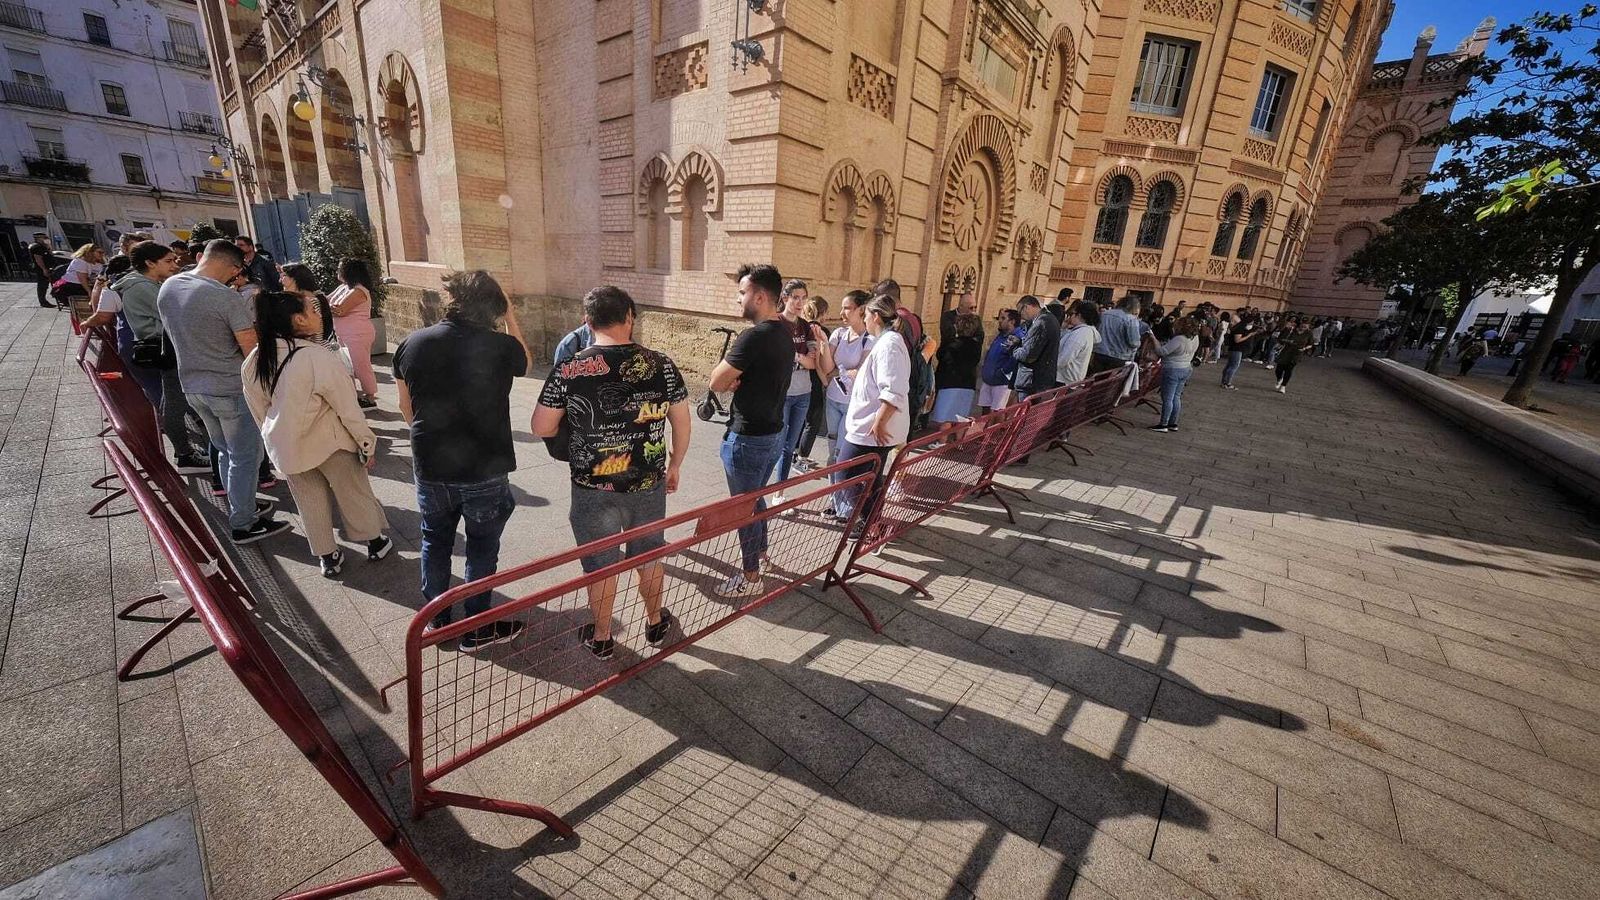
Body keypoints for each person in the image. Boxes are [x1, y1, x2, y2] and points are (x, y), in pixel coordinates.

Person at [533, 286, 691, 660]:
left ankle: (602, 636)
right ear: (629, 317)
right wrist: (675, 465)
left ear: (588, 322)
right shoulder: (661, 364)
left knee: (600, 564)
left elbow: (541, 426)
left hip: (591, 488)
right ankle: (655, 621)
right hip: (647, 484)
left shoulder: (569, 368)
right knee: (649, 554)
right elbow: (682, 425)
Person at [394, 270, 528, 647]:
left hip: (431, 464)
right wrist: (511, 316)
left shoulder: (412, 343)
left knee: (434, 540)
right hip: (484, 466)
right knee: (482, 547)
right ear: (494, 307)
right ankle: (476, 629)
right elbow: (525, 362)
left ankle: (438, 622)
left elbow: (407, 408)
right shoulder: (500, 346)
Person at [243, 291, 394, 577]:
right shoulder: (316, 356)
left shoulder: (253, 361)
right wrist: (366, 442)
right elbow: (347, 407)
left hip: (288, 448)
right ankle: (374, 541)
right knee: (354, 492)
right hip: (331, 443)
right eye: (312, 311)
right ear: (298, 320)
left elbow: (259, 412)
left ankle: (327, 556)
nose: (318, 315)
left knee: (309, 502)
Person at [158, 239, 290, 544]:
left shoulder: (170, 286)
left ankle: (241, 503)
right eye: (236, 271)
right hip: (230, 388)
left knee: (224, 450)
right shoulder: (224, 297)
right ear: (232, 266)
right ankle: (244, 523)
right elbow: (251, 351)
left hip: (193, 386)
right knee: (246, 455)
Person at [708, 263, 793, 598]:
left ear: (759, 296)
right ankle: (761, 556)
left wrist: (730, 380)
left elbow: (715, 381)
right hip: (772, 434)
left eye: (742, 293)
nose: (738, 299)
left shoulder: (754, 336)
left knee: (743, 509)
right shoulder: (784, 332)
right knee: (756, 502)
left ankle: (751, 576)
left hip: (748, 439)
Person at [104, 241, 209, 472]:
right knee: (175, 403)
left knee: (171, 401)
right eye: (168, 261)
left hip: (165, 346)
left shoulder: (145, 283)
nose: (175, 265)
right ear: (150, 263)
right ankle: (185, 455)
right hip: (166, 347)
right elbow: (179, 313)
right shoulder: (142, 287)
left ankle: (186, 452)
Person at [834, 295, 911, 530]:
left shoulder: (889, 345)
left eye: (866, 315)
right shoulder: (887, 342)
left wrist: (878, 423)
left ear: (875, 316)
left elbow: (893, 389)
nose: (865, 320)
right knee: (871, 477)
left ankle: (869, 522)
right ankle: (873, 524)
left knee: (845, 473)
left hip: (872, 429)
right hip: (871, 427)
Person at [773, 279, 829, 488]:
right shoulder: (776, 324)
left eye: (803, 298)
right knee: (776, 444)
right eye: (795, 297)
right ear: (785, 298)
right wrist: (800, 357)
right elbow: (775, 358)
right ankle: (761, 490)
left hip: (803, 393)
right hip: (782, 393)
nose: (800, 302)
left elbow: (813, 363)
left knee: (789, 447)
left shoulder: (805, 327)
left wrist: (793, 355)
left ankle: (779, 492)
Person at [819, 291, 873, 465]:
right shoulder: (839, 334)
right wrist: (825, 345)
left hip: (852, 402)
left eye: (847, 308)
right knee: (832, 440)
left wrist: (838, 370)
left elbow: (859, 372)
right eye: (842, 308)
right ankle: (834, 483)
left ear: (861, 310)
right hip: (832, 398)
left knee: (841, 449)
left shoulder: (869, 340)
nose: (841, 313)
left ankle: (838, 486)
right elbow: (827, 368)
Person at [328, 259, 380, 407]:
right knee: (346, 365)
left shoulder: (359, 291)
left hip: (358, 334)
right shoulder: (344, 288)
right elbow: (327, 301)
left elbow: (341, 310)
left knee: (360, 365)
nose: (337, 271)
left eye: (340, 268)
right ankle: (353, 395)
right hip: (344, 333)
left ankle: (370, 397)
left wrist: (327, 308)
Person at [793, 295, 832, 471]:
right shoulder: (821, 331)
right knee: (813, 420)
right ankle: (801, 457)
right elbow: (818, 360)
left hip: (799, 379)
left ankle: (794, 454)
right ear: (822, 312)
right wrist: (825, 380)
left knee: (799, 418)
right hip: (814, 380)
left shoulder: (801, 327)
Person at [1151, 316, 1201, 433]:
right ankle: (1173, 423)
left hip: (1173, 369)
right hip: (1186, 368)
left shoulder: (1179, 339)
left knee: (1167, 398)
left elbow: (1162, 352)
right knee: (1176, 397)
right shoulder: (1195, 338)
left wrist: (1153, 339)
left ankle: (1163, 424)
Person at [931, 312, 981, 424]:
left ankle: (942, 441)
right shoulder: (976, 345)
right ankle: (960, 441)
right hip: (968, 384)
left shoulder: (952, 344)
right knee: (961, 418)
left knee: (945, 419)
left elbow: (941, 356)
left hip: (950, 384)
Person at [1008, 295, 1059, 400]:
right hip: (1038, 380)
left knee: (1026, 413)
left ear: (1027, 307)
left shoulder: (1042, 322)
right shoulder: (1048, 318)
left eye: (1020, 311)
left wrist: (1013, 348)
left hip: (1032, 381)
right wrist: (1020, 341)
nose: (1021, 316)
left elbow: (1028, 356)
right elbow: (1037, 345)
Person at [1090, 294, 1146, 374]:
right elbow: (1134, 343)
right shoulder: (1130, 319)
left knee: (1097, 381)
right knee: (1112, 384)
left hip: (1099, 354)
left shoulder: (1104, 314)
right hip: (1119, 357)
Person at [978, 309, 1020, 413]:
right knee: (985, 409)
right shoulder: (1001, 335)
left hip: (1001, 383)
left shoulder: (1017, 337)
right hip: (988, 379)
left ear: (1012, 321)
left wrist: (1003, 372)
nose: (1000, 321)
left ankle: (999, 429)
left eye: (1003, 318)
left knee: (998, 411)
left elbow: (1015, 359)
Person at [1057, 300, 1099, 386]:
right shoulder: (1084, 331)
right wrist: (1063, 327)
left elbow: (1063, 360)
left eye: (1071, 314)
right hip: (1072, 378)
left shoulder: (1079, 334)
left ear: (1078, 315)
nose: (1069, 317)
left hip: (1065, 380)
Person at [1273, 320, 1316, 393]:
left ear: (1308, 327)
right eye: (1302, 326)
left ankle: (1283, 386)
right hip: (1285, 351)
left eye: (1305, 327)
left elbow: (1311, 344)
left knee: (1289, 369)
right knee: (1279, 369)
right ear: (1300, 325)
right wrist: (1288, 341)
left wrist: (1304, 348)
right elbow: (1280, 339)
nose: (1303, 328)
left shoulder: (1309, 333)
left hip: (1297, 353)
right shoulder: (1291, 330)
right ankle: (1279, 379)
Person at [1220, 313, 1258, 390]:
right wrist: (1249, 335)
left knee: (1229, 366)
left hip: (1233, 349)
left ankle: (1224, 382)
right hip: (1236, 349)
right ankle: (1227, 383)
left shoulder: (1238, 327)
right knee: (1233, 366)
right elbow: (1237, 340)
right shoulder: (1239, 328)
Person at [28, 232, 56, 308]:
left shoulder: (43, 246)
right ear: (38, 238)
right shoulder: (36, 247)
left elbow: (50, 254)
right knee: (42, 285)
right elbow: (38, 259)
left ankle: (47, 298)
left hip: (47, 267)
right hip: (41, 269)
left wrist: (48, 246)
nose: (46, 239)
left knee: (46, 284)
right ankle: (43, 301)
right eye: (44, 238)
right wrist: (44, 269)